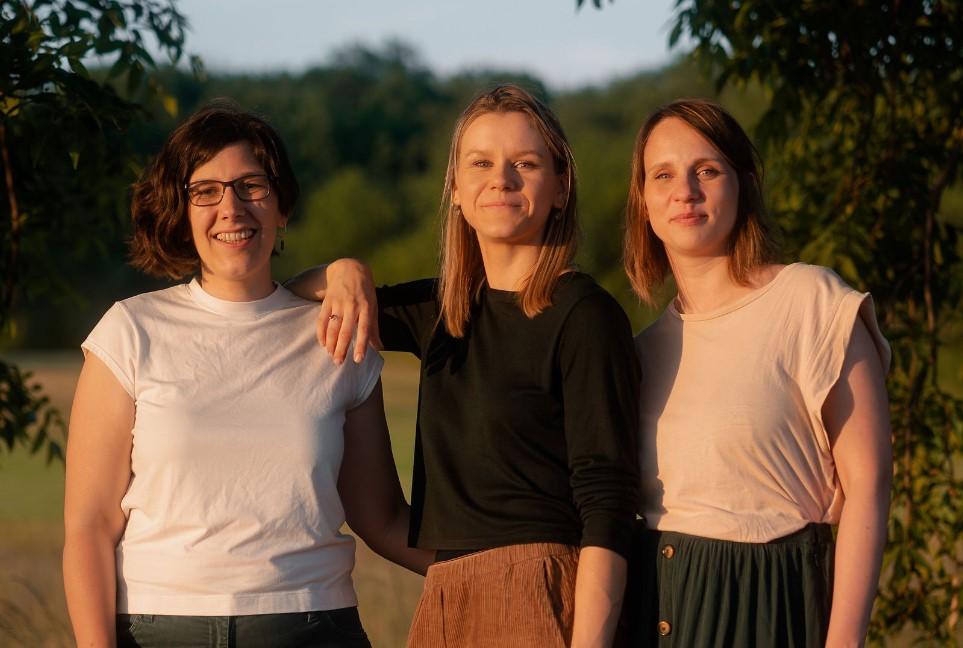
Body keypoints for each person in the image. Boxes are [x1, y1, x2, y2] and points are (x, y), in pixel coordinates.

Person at [62, 103, 432, 648]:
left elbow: (382, 520)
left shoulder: (336, 333)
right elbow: (89, 528)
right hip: (158, 630)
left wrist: (503, 567)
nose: (231, 208)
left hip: (314, 627)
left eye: (250, 185)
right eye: (205, 191)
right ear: (182, 213)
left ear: (281, 206)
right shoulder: (130, 332)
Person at [286, 84, 641, 647]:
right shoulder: (443, 310)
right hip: (448, 597)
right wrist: (343, 271)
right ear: (455, 187)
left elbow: (609, 503)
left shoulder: (584, 314)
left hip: (550, 594)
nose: (500, 179)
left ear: (560, 188)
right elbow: (285, 301)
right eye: (480, 163)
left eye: (525, 163)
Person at [620, 98, 892, 647]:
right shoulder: (638, 353)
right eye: (663, 175)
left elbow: (869, 485)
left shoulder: (811, 300)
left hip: (769, 609)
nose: (685, 191)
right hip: (653, 606)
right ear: (644, 203)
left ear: (742, 184)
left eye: (707, 170)